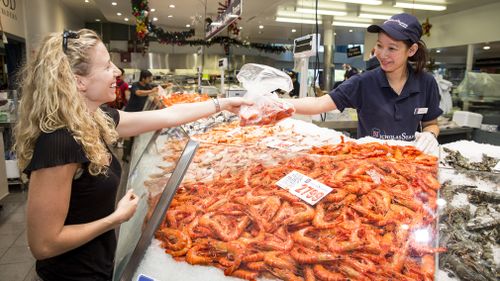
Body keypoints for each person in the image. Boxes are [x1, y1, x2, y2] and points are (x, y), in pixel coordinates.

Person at [13, 29, 251, 281]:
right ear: (79, 81)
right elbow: (44, 245)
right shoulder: (58, 142)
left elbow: (167, 116)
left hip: (100, 262)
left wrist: (222, 104)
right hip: (73, 275)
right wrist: (115, 218)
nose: (117, 71)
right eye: (106, 66)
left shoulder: (96, 119)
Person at [286, 13, 442, 154]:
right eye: (379, 45)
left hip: (408, 163)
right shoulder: (363, 82)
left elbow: (430, 123)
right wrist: (278, 104)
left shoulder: (426, 83)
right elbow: (318, 103)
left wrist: (430, 134)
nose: (382, 54)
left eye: (392, 48)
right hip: (369, 166)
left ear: (412, 50)